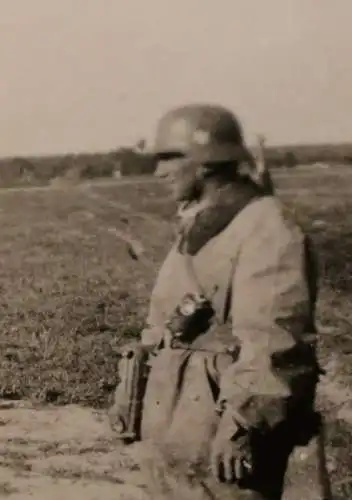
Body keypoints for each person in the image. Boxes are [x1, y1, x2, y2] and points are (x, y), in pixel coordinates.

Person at [109, 104, 331, 499]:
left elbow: (274, 340)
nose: (158, 172)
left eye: (169, 158)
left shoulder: (266, 228)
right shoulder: (205, 222)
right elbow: (164, 321)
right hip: (182, 423)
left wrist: (243, 423)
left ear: (209, 162)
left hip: (222, 436)